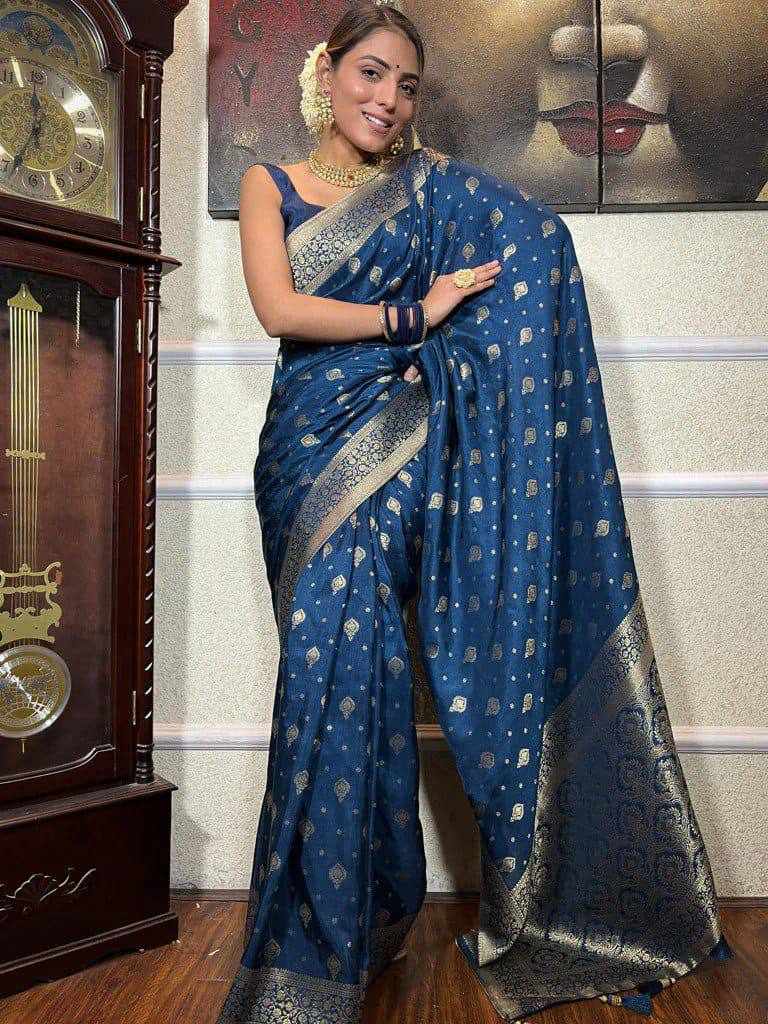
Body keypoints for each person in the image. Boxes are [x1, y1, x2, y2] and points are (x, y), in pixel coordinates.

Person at [215, 4, 732, 1022]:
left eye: (406, 85)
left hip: (399, 450)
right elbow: (281, 310)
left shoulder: (434, 191)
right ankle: (350, 922)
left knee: (361, 677)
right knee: (329, 680)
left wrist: (450, 344)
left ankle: (335, 938)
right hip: (303, 458)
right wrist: (417, 315)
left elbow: (539, 244)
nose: (387, 99)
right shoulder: (269, 183)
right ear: (328, 71)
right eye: (371, 73)